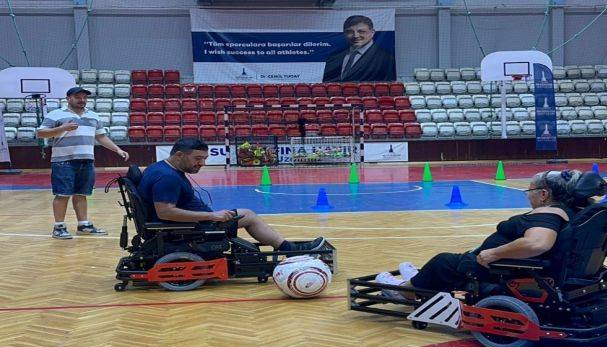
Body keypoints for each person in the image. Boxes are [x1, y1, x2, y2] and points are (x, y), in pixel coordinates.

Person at [375, 170, 582, 299]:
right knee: (447, 263)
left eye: (529, 192)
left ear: (544, 194)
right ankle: (418, 279)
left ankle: (403, 292)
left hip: (496, 267)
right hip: (511, 263)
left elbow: (538, 244)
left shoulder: (547, 214)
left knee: (442, 262)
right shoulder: (572, 210)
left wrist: (495, 253)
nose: (528, 196)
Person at [137, 138, 326, 252]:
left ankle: (284, 246)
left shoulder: (159, 167)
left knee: (245, 213)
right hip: (187, 227)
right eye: (197, 158)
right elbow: (165, 213)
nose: (202, 163)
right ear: (179, 155)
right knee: (249, 216)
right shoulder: (167, 178)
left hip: (188, 223)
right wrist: (211, 215)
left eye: (204, 158)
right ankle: (287, 249)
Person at [37, 86, 130, 239]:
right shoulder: (56, 114)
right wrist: (63, 128)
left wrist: (118, 150)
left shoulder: (93, 116)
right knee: (62, 194)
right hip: (63, 161)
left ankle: (83, 225)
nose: (82, 100)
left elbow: (101, 137)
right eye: (78, 97)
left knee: (82, 194)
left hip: (87, 161)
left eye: (84, 97)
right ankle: (59, 227)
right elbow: (41, 133)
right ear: (68, 99)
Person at [322, 15, 396, 82]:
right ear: (344, 34)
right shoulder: (333, 57)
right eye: (350, 32)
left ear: (372, 32)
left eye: (361, 31)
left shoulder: (386, 58)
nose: (356, 36)